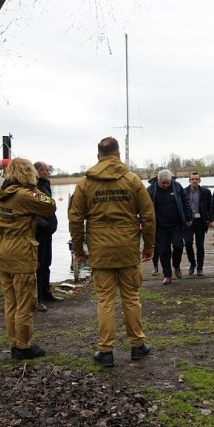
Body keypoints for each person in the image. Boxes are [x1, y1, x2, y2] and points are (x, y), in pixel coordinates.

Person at [68, 136, 155, 367]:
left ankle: (106, 351)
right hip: (127, 248)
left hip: (100, 250)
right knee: (131, 297)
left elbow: (75, 219)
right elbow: (148, 216)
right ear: (118, 155)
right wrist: (149, 246)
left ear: (98, 156)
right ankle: (137, 345)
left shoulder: (86, 183)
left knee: (105, 300)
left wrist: (79, 249)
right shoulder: (132, 179)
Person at [0, 158, 57, 359]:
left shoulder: (2, 194)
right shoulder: (25, 195)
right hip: (20, 250)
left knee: (10, 301)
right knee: (25, 302)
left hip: (2, 248)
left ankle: (15, 341)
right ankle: (24, 345)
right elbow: (50, 206)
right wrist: (34, 187)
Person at [147, 169, 192, 285]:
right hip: (160, 226)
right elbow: (146, 207)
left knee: (178, 245)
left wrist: (188, 217)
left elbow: (186, 201)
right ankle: (167, 275)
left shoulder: (177, 187)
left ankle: (176, 265)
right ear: (158, 180)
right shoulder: (151, 190)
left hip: (176, 224)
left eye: (168, 183)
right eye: (163, 183)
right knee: (164, 251)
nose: (166, 185)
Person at [33, 161, 63, 312]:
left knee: (47, 263)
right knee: (39, 265)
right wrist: (43, 224)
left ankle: (46, 293)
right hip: (39, 232)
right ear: (38, 171)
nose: (48, 172)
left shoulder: (45, 184)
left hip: (48, 232)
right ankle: (37, 298)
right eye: (46, 170)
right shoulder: (33, 187)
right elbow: (33, 209)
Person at [184, 171, 212, 276]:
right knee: (187, 243)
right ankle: (192, 263)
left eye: (196, 179)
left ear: (200, 180)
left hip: (201, 221)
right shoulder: (184, 192)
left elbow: (210, 207)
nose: (194, 181)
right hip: (188, 222)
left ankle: (200, 267)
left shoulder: (206, 192)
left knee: (200, 245)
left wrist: (210, 219)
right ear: (189, 180)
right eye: (192, 179)